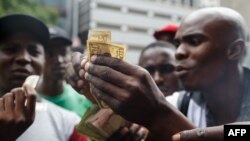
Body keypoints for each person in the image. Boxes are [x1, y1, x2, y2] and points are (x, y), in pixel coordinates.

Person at [74, 7, 250, 141]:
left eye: (194, 41)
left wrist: (160, 116)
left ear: (234, 50)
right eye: (178, 44)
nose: (179, 53)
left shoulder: (165, 108)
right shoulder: (180, 103)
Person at [0, 14, 87, 141]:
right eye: (11, 49)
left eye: (34, 51)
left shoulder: (69, 125)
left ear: (44, 60)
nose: (24, 58)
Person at [37, 26, 92, 117]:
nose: (59, 60)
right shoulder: (27, 100)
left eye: (63, 52)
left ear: (70, 54)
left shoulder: (83, 100)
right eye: (50, 54)